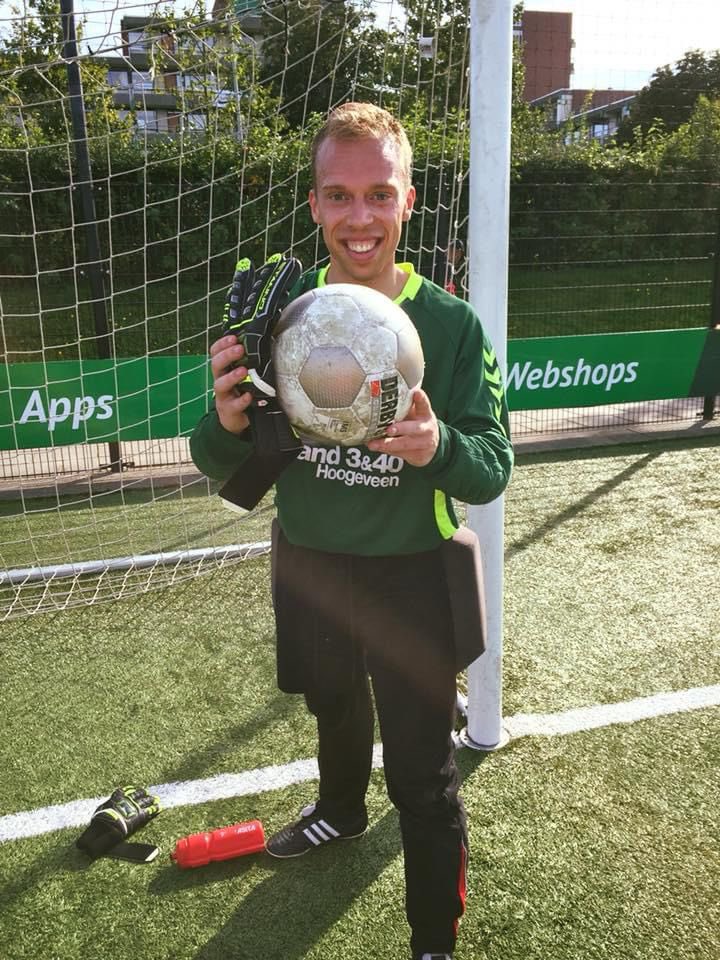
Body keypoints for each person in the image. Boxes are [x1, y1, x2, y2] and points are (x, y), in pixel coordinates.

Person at [190, 102, 513, 960]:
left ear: (408, 200)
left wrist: (438, 446)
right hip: (310, 563)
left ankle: (433, 937)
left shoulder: (450, 325)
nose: (359, 217)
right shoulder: (281, 317)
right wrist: (226, 421)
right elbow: (219, 464)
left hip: (412, 574)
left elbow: (491, 466)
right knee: (331, 703)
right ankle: (339, 810)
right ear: (315, 205)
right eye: (339, 195)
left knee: (421, 774)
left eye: (379, 194)